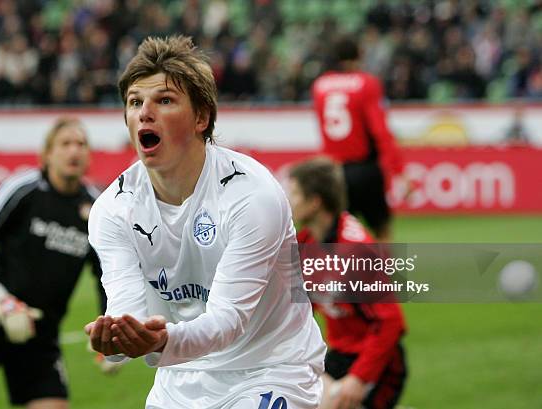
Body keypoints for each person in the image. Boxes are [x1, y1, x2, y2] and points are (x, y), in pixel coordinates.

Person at [85, 35, 326, 409]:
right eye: (135, 102)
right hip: (179, 378)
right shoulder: (112, 210)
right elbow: (128, 311)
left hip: (270, 369)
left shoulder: (252, 195)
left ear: (202, 117)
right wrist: (118, 339)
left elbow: (228, 320)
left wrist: (159, 341)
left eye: (164, 100)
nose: (144, 112)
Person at [0, 117, 107, 408]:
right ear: (48, 153)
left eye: (81, 144)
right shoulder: (23, 189)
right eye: (65, 144)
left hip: (41, 337)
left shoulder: (97, 207)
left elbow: (104, 274)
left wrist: (107, 333)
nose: (74, 151)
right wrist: (0, 299)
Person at [287, 158, 407, 409]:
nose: (290, 200)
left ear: (315, 201)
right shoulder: (304, 244)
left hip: (379, 363)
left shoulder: (356, 252)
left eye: (296, 193)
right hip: (341, 356)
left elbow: (390, 322)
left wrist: (359, 378)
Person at [311, 36, 406, 241]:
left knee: (338, 233)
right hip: (364, 168)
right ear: (358, 56)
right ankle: (382, 272)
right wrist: (399, 171)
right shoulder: (366, 83)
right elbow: (380, 131)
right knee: (381, 229)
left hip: (334, 170)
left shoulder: (320, 86)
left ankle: (338, 273)